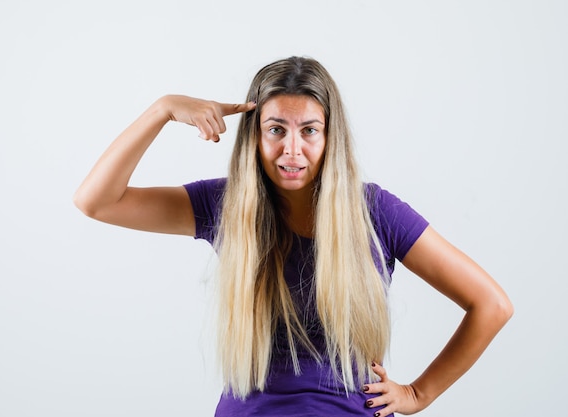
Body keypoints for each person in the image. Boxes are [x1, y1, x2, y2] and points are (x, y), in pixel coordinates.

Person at [73, 56, 513, 417]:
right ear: (255, 134)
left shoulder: (375, 212)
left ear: (329, 137)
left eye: (309, 131)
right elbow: (97, 201)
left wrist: (419, 394)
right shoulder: (224, 205)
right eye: (276, 129)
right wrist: (163, 109)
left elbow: (490, 305)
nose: (292, 150)